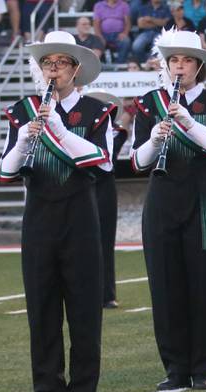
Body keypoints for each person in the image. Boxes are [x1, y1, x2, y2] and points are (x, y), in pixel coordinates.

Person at [0, 31, 113, 392]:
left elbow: (103, 161)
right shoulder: (22, 110)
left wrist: (58, 130)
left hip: (81, 216)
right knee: (42, 312)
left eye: (61, 63)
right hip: (40, 217)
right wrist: (25, 141)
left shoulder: (97, 112)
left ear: (75, 70)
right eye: (48, 63)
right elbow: (5, 171)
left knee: (83, 313)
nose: (54, 70)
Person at [131, 29, 206, 389]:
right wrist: (154, 139)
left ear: (199, 66)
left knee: (204, 287)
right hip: (163, 198)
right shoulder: (150, 103)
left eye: (187, 61)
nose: (180, 67)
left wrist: (188, 123)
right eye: (174, 61)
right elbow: (137, 161)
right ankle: (175, 368)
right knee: (166, 288)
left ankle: (202, 368)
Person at [86, 90, 123, 309]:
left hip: (103, 188)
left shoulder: (116, 133)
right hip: (84, 187)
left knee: (105, 241)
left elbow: (106, 159)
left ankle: (107, 293)